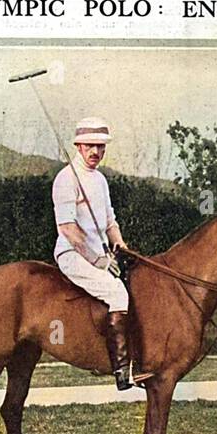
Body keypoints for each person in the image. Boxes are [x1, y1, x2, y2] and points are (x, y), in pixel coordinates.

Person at [52, 118, 132, 391]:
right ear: (78, 145)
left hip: (103, 255)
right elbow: (68, 229)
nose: (95, 152)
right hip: (72, 254)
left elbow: (110, 222)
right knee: (118, 295)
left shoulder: (100, 180)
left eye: (101, 146)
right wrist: (96, 259)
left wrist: (120, 246)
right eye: (90, 146)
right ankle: (120, 368)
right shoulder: (66, 179)